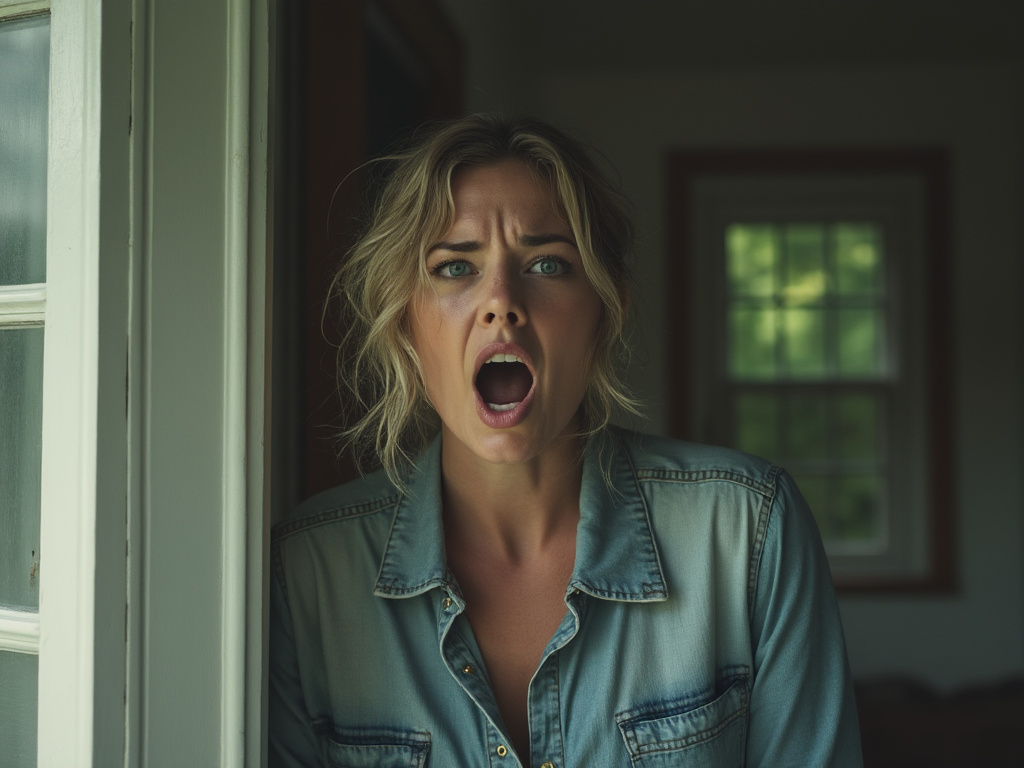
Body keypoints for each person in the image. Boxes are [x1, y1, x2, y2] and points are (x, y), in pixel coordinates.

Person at [269, 114, 863, 767]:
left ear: (607, 308)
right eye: (455, 267)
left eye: (547, 263)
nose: (500, 300)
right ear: (406, 319)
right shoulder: (307, 574)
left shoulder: (746, 531)